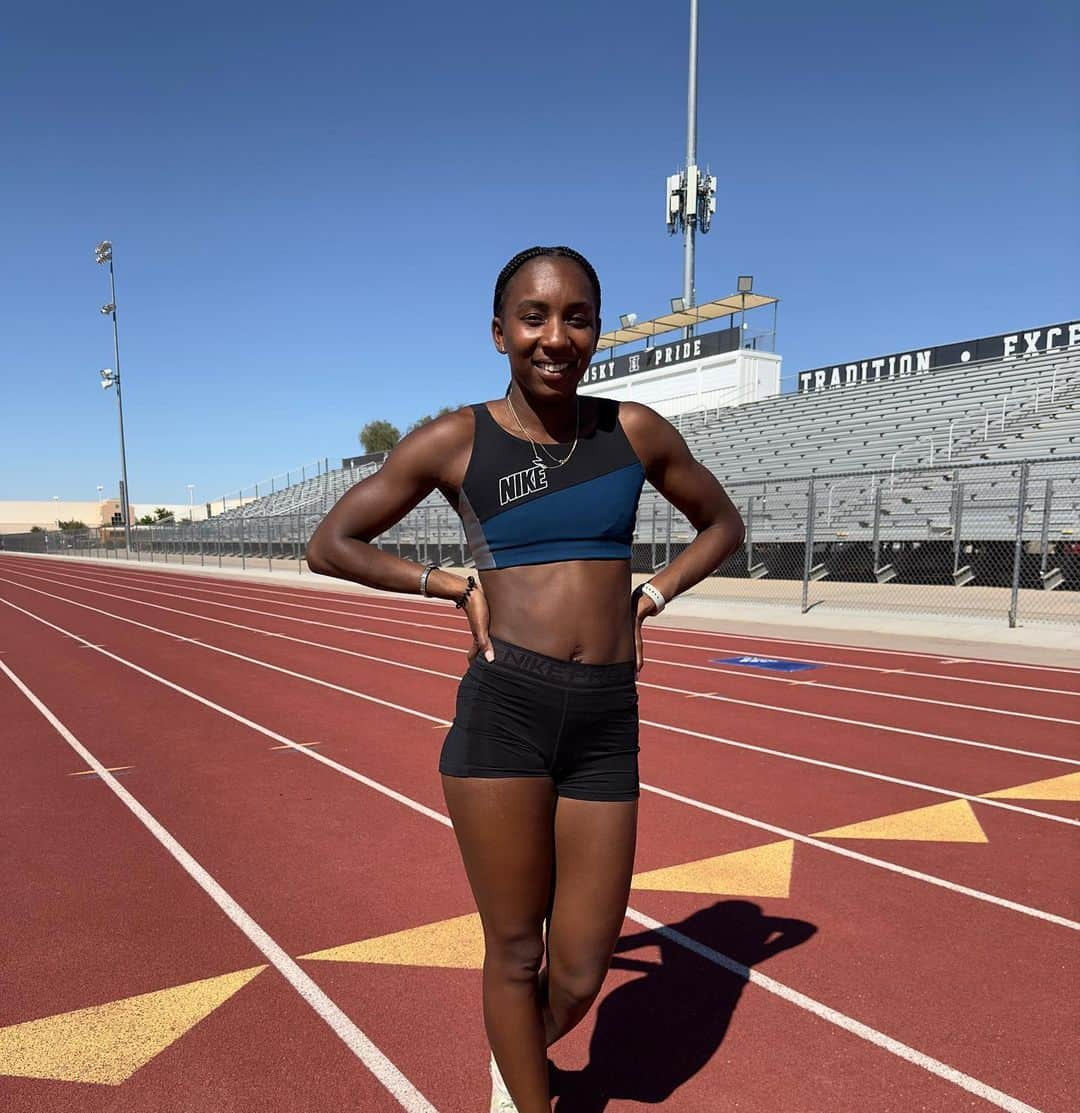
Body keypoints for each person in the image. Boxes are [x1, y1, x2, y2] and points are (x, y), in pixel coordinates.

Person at [307, 246, 745, 1112]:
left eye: (576, 316)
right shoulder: (456, 440)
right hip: (505, 712)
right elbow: (331, 544)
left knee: (580, 968)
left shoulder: (636, 431)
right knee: (514, 950)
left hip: (605, 721)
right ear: (500, 332)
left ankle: (518, 1064)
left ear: (597, 328)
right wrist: (448, 584)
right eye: (535, 317)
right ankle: (527, 1095)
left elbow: (722, 523)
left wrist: (650, 595)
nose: (556, 336)